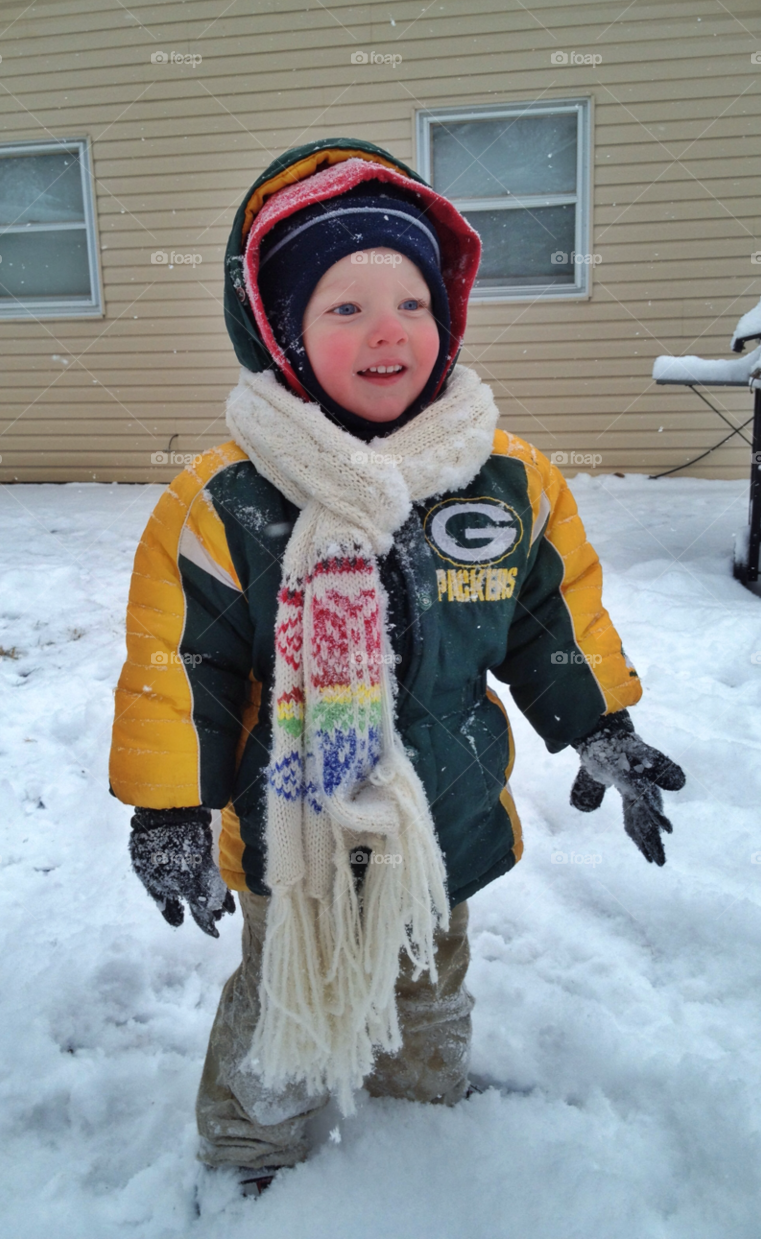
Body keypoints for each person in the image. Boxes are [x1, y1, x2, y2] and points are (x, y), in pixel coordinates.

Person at [108, 138, 685, 1197]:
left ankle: (426, 1107)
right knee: (283, 992)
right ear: (283, 333)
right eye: (344, 307)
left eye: (413, 303)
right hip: (290, 818)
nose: (388, 332)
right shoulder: (223, 498)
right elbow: (182, 665)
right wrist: (167, 810)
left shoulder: (507, 481)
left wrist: (601, 718)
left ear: (448, 317)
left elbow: (552, 619)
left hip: (443, 819)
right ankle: (251, 1145)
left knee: (429, 978)